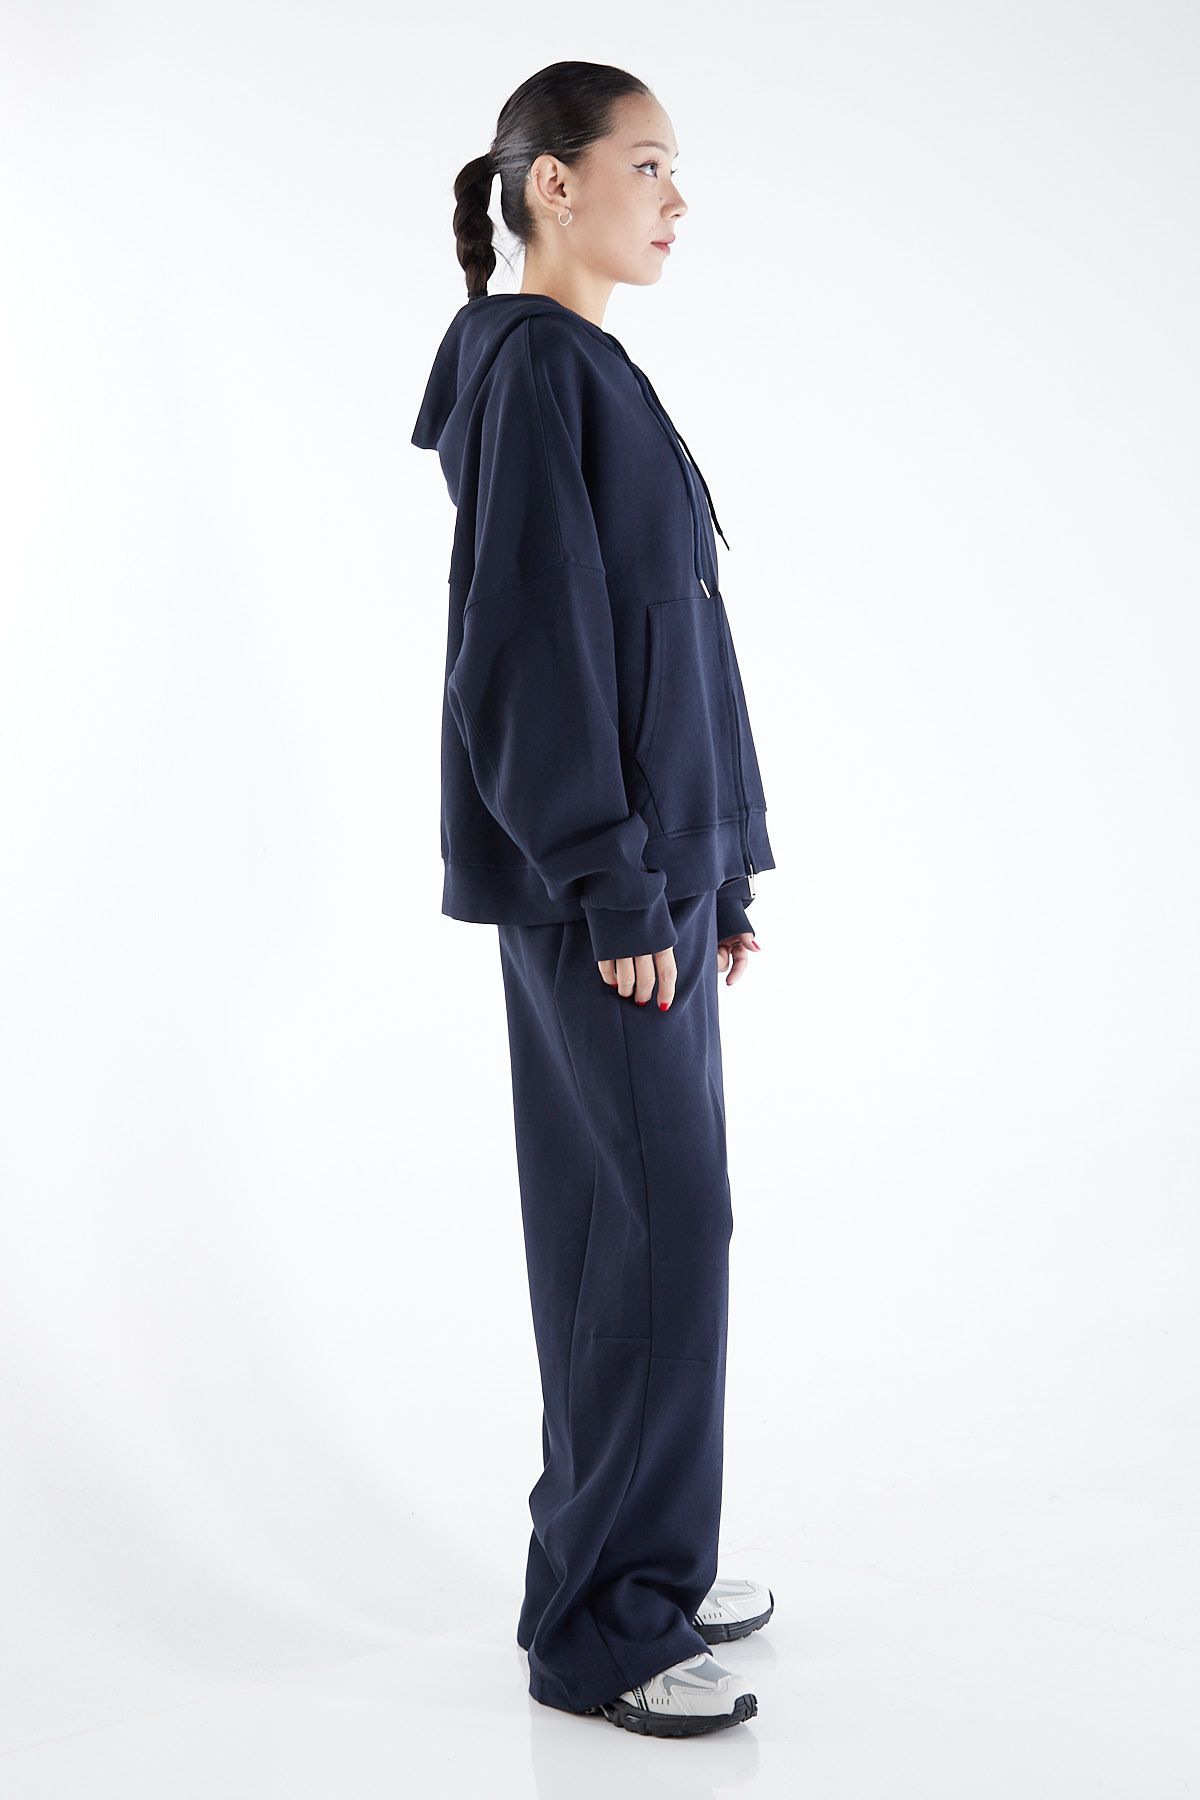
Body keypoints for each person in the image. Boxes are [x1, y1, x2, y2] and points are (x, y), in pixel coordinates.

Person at [411, 60, 778, 1739]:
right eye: (647, 166)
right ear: (551, 184)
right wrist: (620, 887)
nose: (675, 199)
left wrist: (722, 863)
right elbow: (527, 661)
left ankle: (648, 1563)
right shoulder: (532, 372)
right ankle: (600, 1630)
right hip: (606, 893)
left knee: (668, 1231)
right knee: (638, 1239)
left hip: (656, 878)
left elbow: (671, 637)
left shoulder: (593, 369)